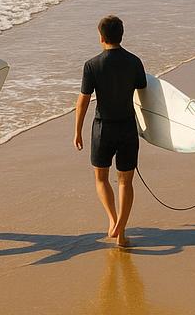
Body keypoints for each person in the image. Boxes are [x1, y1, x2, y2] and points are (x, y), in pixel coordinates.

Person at [74, 15, 147, 249]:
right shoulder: (135, 62)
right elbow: (145, 96)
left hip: (102, 128)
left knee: (101, 178)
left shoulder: (92, 65)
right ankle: (122, 231)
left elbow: (83, 101)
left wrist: (77, 131)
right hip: (127, 127)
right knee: (125, 181)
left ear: (101, 37)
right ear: (121, 35)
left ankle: (112, 219)